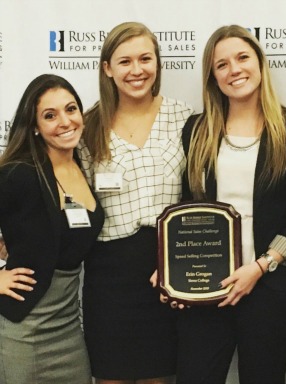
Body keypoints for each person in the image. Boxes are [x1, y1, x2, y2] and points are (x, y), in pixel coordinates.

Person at [176, 24, 286, 384]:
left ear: (260, 63)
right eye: (221, 64)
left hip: (269, 289)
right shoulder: (197, 131)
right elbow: (185, 207)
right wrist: (172, 268)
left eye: (242, 58)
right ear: (212, 76)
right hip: (207, 288)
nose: (233, 69)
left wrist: (262, 264)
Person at [77, 22, 194, 384]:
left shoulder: (185, 118)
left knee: (158, 376)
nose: (137, 70)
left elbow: (199, 197)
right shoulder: (86, 126)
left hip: (167, 270)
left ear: (158, 63)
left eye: (146, 58)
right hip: (108, 276)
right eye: (125, 61)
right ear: (107, 68)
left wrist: (182, 265)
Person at [0, 74, 104, 384]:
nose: (65, 121)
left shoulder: (84, 167)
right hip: (25, 330)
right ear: (34, 126)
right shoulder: (19, 173)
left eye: (70, 109)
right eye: (50, 115)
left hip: (70, 330)